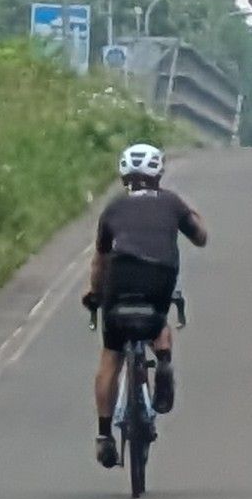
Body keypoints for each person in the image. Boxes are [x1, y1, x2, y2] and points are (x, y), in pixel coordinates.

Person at [86, 142, 207, 468]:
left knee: (111, 353)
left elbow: (100, 260)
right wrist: (190, 215)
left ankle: (103, 435)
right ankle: (163, 360)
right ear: (158, 173)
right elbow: (200, 236)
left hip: (120, 277)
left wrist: (95, 295)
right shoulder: (170, 201)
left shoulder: (113, 208)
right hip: (160, 274)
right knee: (158, 317)